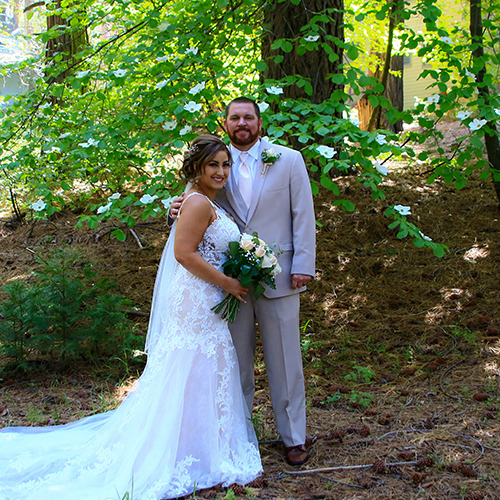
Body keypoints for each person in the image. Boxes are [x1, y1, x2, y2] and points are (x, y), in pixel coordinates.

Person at [0, 135, 262, 500]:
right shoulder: (199, 203)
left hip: (205, 295)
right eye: (212, 165)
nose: (220, 171)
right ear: (197, 168)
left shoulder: (200, 201)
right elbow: (185, 254)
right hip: (198, 296)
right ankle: (185, 451)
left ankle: (196, 445)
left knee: (199, 368)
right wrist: (228, 282)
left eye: (225, 164)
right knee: (193, 364)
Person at [170, 97, 316, 466]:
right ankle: (238, 434)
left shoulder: (288, 160)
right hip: (230, 281)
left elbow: (303, 215)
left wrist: (303, 265)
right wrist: (173, 207)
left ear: (259, 121)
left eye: (248, 116)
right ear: (226, 123)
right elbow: (195, 203)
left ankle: (293, 437)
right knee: (234, 361)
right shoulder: (217, 163)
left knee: (286, 360)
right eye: (235, 117)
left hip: (281, 276)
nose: (242, 123)